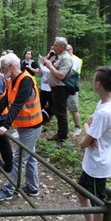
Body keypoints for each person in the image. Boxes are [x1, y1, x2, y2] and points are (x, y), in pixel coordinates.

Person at [0, 53, 43, 201]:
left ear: (11, 66)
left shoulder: (25, 80)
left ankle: (8, 190)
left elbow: (17, 104)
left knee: (19, 159)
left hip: (32, 125)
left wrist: (6, 126)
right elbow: (5, 101)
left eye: (3, 67)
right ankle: (32, 187)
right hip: (24, 126)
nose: (2, 70)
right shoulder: (12, 80)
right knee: (30, 157)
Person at [76, 66, 111, 221]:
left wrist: (88, 131)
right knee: (81, 192)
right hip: (92, 163)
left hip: (98, 164)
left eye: (93, 80)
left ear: (98, 84)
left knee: (98, 202)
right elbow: (88, 124)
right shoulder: (102, 103)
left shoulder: (104, 112)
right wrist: (88, 128)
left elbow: (83, 143)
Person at [40, 37, 73, 145]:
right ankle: (60, 133)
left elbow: (61, 75)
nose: (53, 47)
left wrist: (49, 65)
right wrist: (48, 62)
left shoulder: (66, 59)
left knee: (61, 113)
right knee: (58, 112)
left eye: (55, 45)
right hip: (55, 88)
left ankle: (63, 137)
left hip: (61, 89)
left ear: (62, 47)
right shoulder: (59, 57)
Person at [67, 44, 83, 135]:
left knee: (73, 108)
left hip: (72, 87)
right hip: (64, 87)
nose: (66, 52)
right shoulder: (63, 59)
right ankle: (66, 125)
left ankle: (77, 127)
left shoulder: (76, 60)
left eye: (68, 50)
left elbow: (71, 72)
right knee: (65, 108)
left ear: (72, 50)